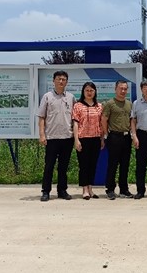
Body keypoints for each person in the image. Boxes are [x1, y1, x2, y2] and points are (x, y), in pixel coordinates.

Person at [37, 70, 75, 202]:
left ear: (67, 82)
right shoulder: (47, 97)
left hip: (67, 137)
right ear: (53, 81)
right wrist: (42, 135)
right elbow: (41, 117)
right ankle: (46, 191)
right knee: (49, 166)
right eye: (59, 79)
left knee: (63, 167)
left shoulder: (71, 97)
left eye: (64, 79)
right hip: (51, 138)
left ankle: (62, 190)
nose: (61, 81)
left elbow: (74, 118)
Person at [102, 80, 133, 200]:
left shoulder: (129, 104)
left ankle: (124, 189)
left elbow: (131, 120)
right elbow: (104, 119)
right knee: (113, 164)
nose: (123, 91)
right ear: (115, 89)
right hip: (114, 137)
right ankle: (110, 189)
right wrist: (106, 134)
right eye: (121, 88)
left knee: (125, 165)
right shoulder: (110, 103)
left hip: (126, 137)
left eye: (125, 89)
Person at [73, 82, 103, 200]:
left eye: (91, 90)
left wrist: (102, 139)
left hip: (96, 138)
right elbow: (75, 123)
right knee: (84, 164)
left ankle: (90, 188)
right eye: (87, 90)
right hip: (83, 138)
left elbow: (101, 124)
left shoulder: (99, 106)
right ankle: (84, 189)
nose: (89, 93)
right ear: (83, 92)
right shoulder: (78, 106)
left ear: (95, 92)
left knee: (93, 164)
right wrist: (76, 140)